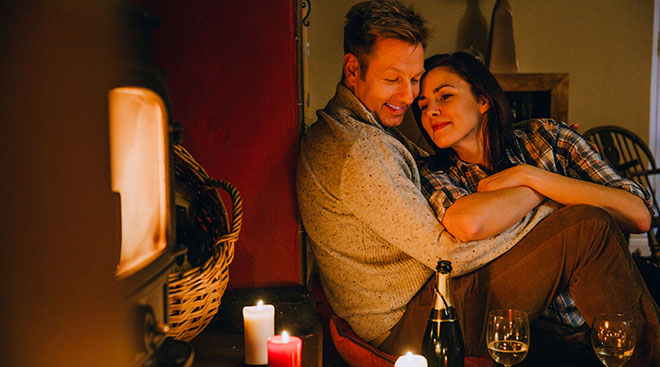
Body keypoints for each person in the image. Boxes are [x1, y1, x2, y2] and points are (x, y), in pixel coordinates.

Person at [410, 51, 660, 366]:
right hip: (526, 330)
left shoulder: (547, 137)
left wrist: (534, 175)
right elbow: (468, 222)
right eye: (422, 106)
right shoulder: (433, 174)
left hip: (597, 321)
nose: (431, 110)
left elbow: (638, 215)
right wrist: (544, 190)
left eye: (444, 96)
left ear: (483, 100)